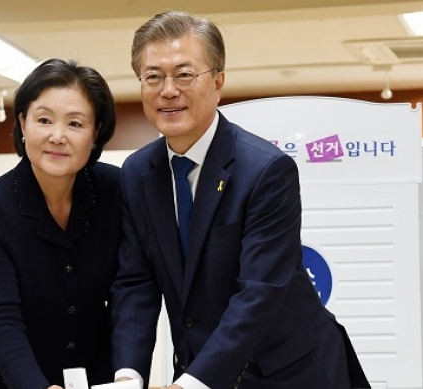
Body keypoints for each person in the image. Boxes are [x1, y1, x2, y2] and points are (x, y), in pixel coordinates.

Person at [110, 11, 370, 389]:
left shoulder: (265, 170)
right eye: (153, 77)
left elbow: (259, 292)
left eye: (184, 74)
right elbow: (135, 283)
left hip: (287, 372)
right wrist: (128, 375)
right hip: (201, 369)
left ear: (218, 82)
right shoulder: (137, 174)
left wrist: (192, 383)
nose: (168, 90)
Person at [0, 58, 120, 389]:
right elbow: (0, 317)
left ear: (96, 132)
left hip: (92, 373)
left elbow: (131, 292)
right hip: (8, 378)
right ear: (22, 123)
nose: (57, 136)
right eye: (44, 120)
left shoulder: (117, 193)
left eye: (75, 124)